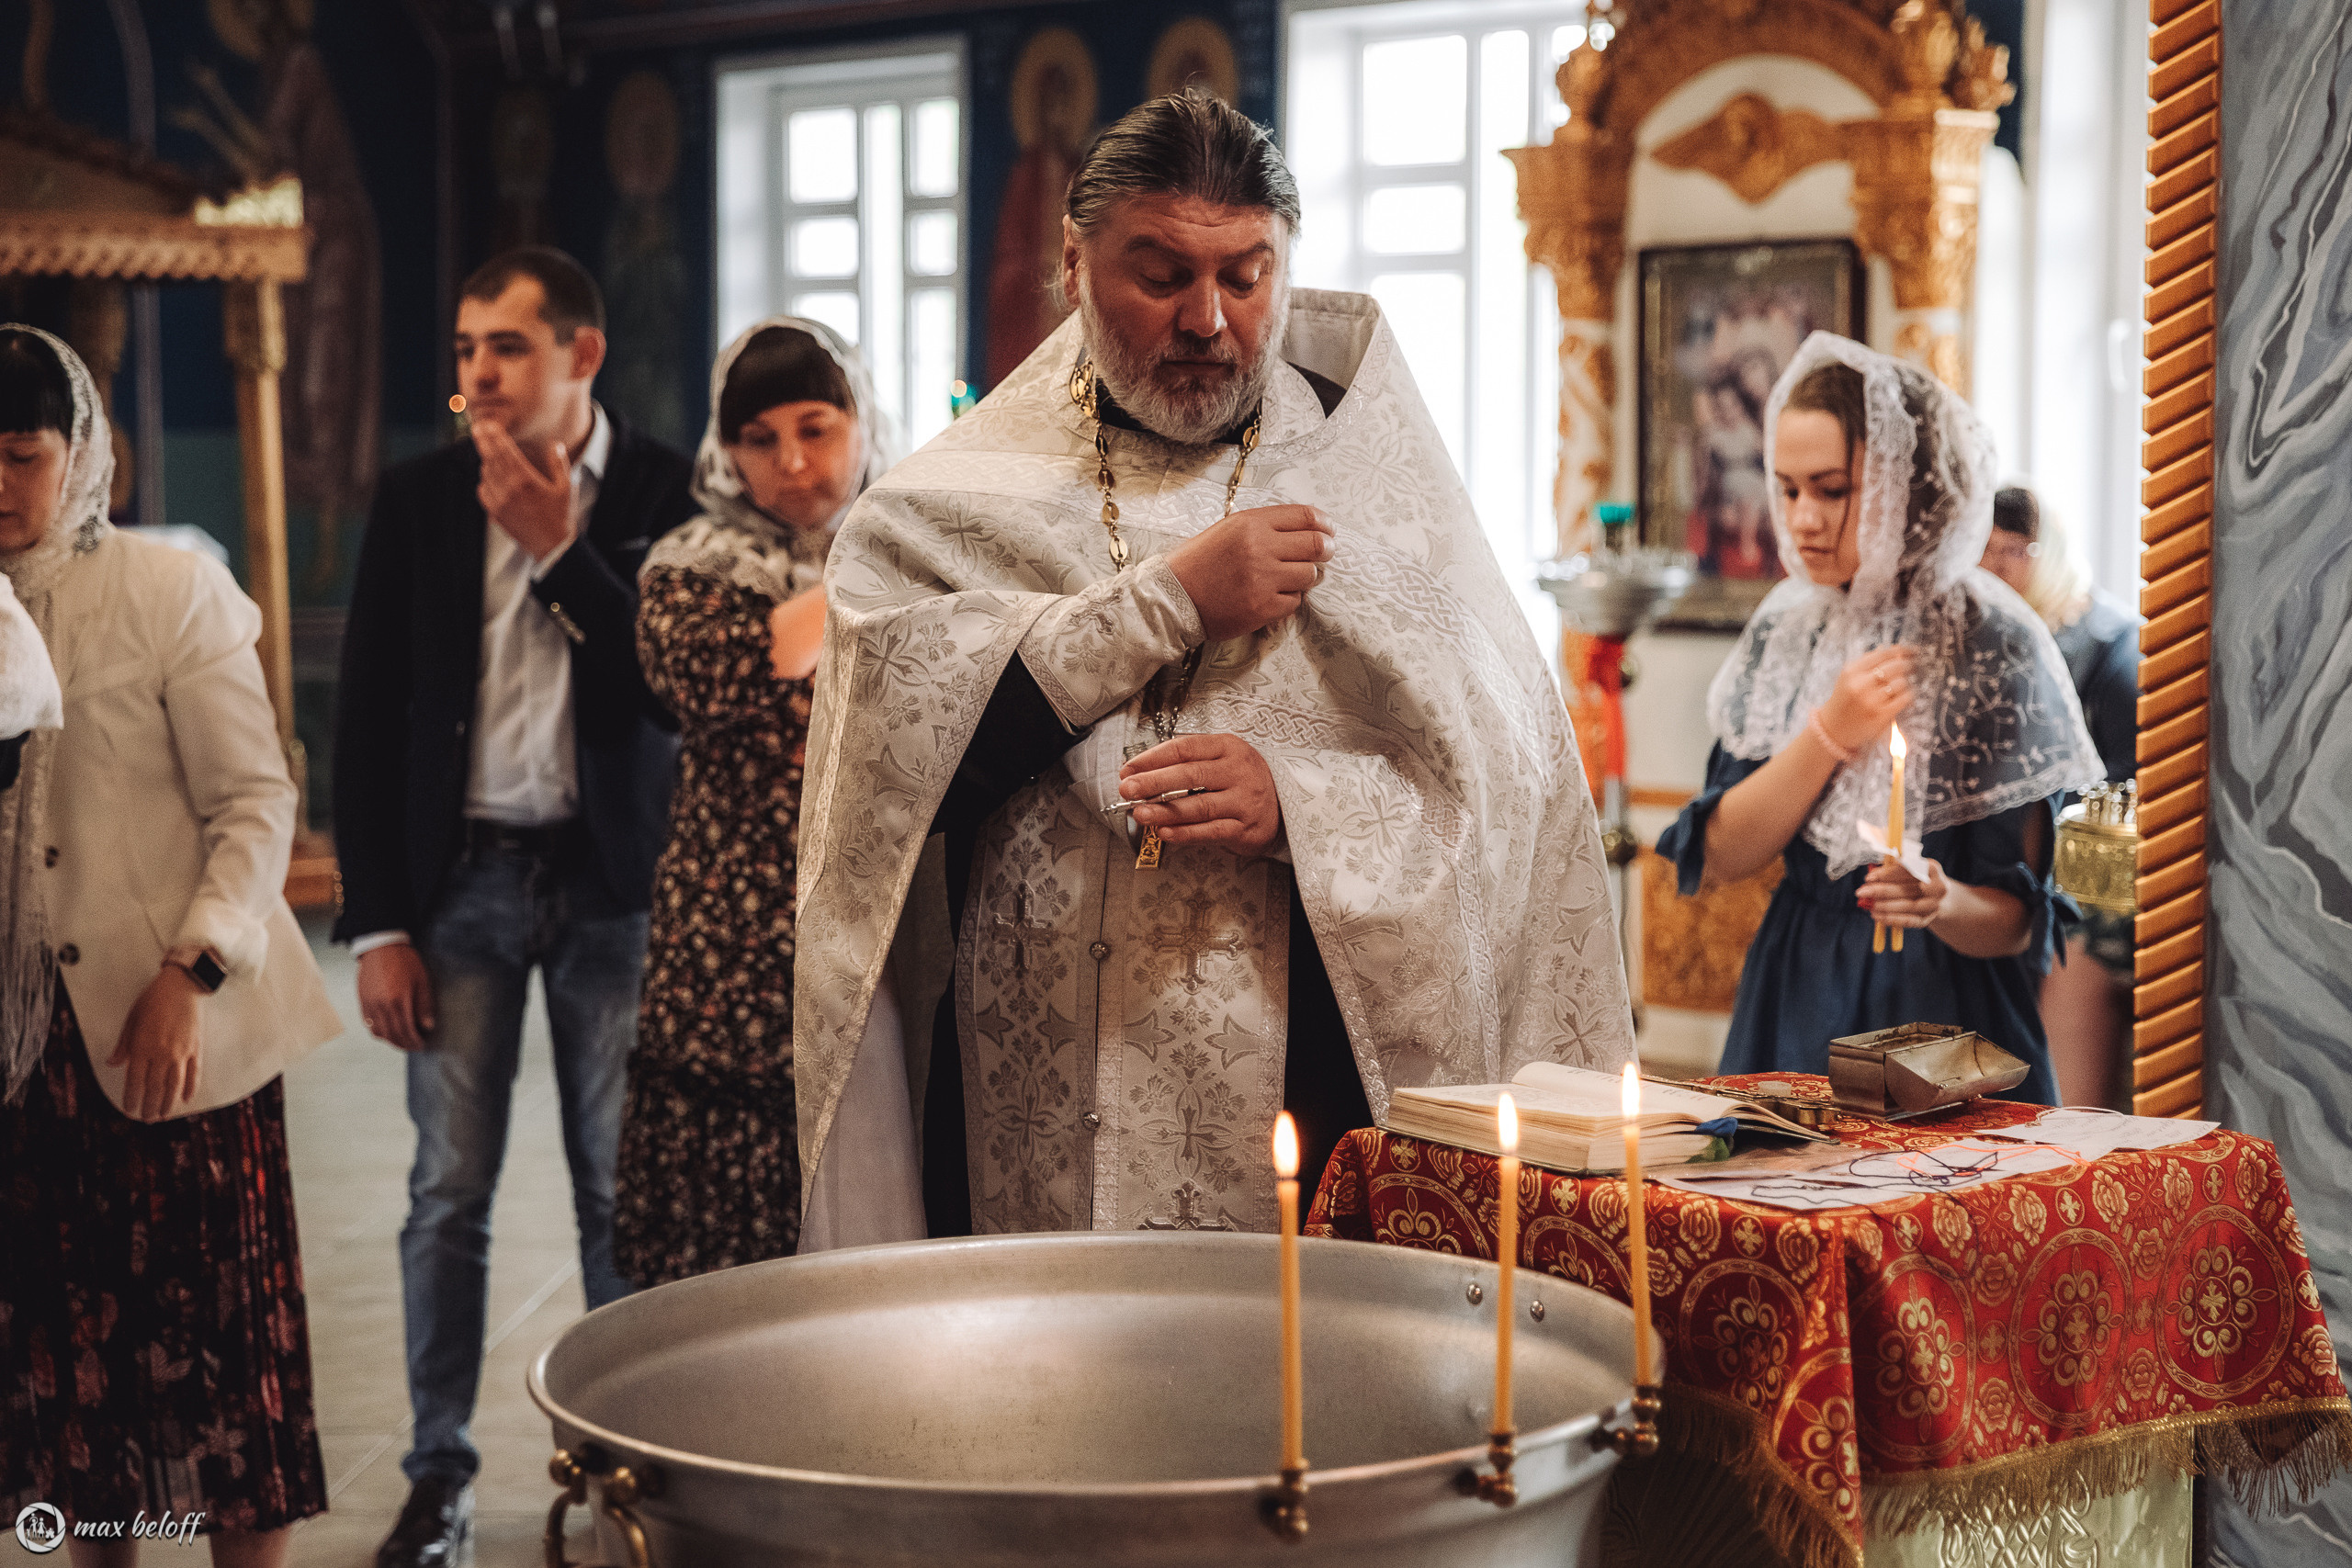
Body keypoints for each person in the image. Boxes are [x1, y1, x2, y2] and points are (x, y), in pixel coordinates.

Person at [792, 89, 1634, 1247]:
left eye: (1245, 277)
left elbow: (1500, 800)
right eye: (1161, 275)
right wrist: (1174, 601)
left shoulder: (1373, 487)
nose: (1208, 319)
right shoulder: (954, 499)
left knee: (1280, 1403)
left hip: (1295, 1090)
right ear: (1073, 267)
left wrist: (1296, 801)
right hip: (1023, 1078)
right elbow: (893, 782)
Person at [332, 249, 695, 1567]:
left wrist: (559, 551)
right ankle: (439, 1477)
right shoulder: (422, 496)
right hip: (463, 879)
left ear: (581, 356)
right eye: (468, 347)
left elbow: (662, 687)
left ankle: (623, 1476)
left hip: (610, 879)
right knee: (448, 1189)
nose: (479, 373)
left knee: (616, 1194)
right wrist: (378, 922)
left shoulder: (666, 485)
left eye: (509, 347)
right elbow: (364, 719)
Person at [0, 325, 342, 1564]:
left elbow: (255, 801)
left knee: (216, 1362)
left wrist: (189, 970)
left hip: (176, 1035)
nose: (0, 484)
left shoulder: (166, 587)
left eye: (22, 455)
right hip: (27, 1053)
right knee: (79, 1377)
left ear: (83, 452)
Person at [1656, 334, 2103, 1102]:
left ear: (1908, 482)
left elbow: (2023, 920)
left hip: (1945, 1012)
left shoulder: (1992, 639)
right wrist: (1831, 730)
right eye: (1788, 488)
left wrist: (1940, 899)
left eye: (1832, 489)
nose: (1802, 518)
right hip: (1797, 983)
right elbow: (1723, 852)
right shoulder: (1790, 625)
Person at [614, 318, 898, 1285]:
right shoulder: (688, 567)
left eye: (818, 427)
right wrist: (897, 549)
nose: (792, 461)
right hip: (733, 944)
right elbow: (751, 662)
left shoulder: (914, 555)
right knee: (736, 1252)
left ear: (863, 423)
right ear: (724, 452)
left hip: (883, 915)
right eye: (759, 438)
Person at [1981, 485, 2142, 1106]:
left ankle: (2071, 1149)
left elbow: (2121, 801)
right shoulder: (1998, 640)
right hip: (2023, 865)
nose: (1997, 566)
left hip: (2102, 879)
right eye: (1986, 550)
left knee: (2073, 941)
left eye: (2016, 550)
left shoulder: (2111, 644)